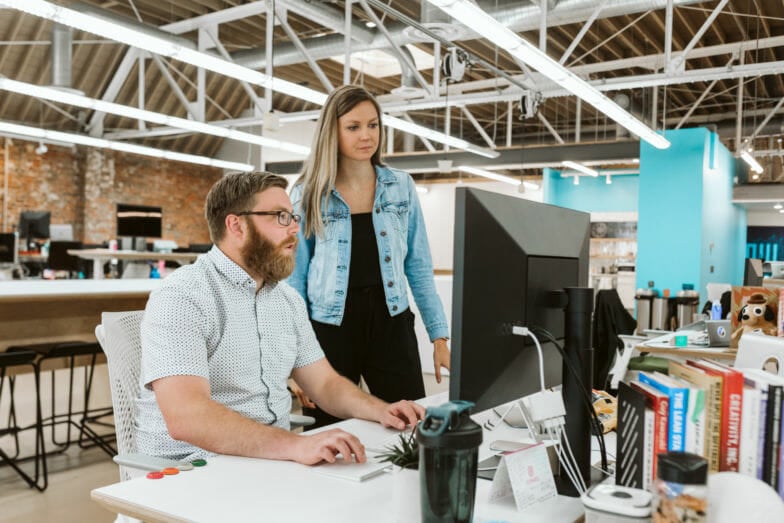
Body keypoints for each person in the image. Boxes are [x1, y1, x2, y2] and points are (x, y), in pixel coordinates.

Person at [137, 171, 424, 464]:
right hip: (193, 469)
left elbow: (325, 384)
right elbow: (188, 416)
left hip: (267, 460)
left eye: (292, 217)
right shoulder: (182, 296)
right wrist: (297, 446)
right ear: (236, 225)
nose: (294, 229)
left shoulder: (287, 300)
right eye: (279, 216)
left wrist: (380, 410)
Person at [288, 85, 450, 428]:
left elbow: (418, 266)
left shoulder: (400, 186)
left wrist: (439, 336)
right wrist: (296, 355)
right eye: (353, 126)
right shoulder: (307, 193)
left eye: (373, 125)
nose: (366, 135)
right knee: (329, 432)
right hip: (329, 328)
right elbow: (294, 280)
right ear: (332, 131)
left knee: (410, 424)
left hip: (391, 322)